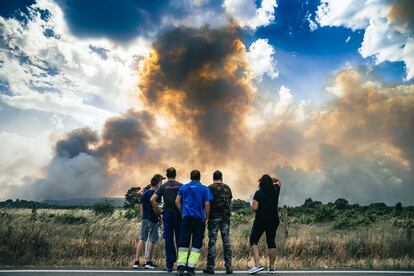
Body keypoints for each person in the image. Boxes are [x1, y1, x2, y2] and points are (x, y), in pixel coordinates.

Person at [175, 170, 213, 276]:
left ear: (190, 177)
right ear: (199, 177)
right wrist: (207, 217)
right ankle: (191, 269)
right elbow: (207, 204)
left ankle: (181, 268)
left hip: (186, 218)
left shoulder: (183, 188)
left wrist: (182, 212)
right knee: (196, 244)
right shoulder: (205, 189)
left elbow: (177, 201)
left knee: (183, 243)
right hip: (199, 219)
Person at [150, 167, 183, 272]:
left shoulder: (163, 186)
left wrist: (159, 211)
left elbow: (152, 200)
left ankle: (169, 264)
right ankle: (180, 265)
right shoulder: (180, 186)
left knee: (168, 239)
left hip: (167, 214)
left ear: (167, 175)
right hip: (178, 214)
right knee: (180, 240)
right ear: (175, 174)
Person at [248, 174, 281, 274]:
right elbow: (279, 181)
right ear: (271, 182)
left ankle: (258, 264)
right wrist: (270, 179)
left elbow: (254, 208)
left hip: (261, 220)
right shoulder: (275, 190)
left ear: (261, 183)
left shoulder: (259, 193)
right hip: (274, 220)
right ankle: (271, 267)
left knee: (253, 240)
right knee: (271, 241)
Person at [203, 170, 233, 274]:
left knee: (212, 242)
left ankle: (210, 267)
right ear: (222, 177)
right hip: (225, 217)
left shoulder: (209, 188)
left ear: (213, 178)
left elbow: (207, 203)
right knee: (226, 241)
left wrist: (207, 217)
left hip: (213, 217)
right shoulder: (227, 188)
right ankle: (229, 267)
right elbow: (229, 202)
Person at [133, 175, 162, 270]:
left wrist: (142, 216)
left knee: (142, 239)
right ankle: (148, 262)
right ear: (157, 184)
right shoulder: (156, 194)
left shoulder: (145, 193)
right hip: (152, 219)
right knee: (152, 240)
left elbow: (142, 206)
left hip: (145, 219)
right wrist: (159, 216)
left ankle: (136, 262)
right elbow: (155, 208)